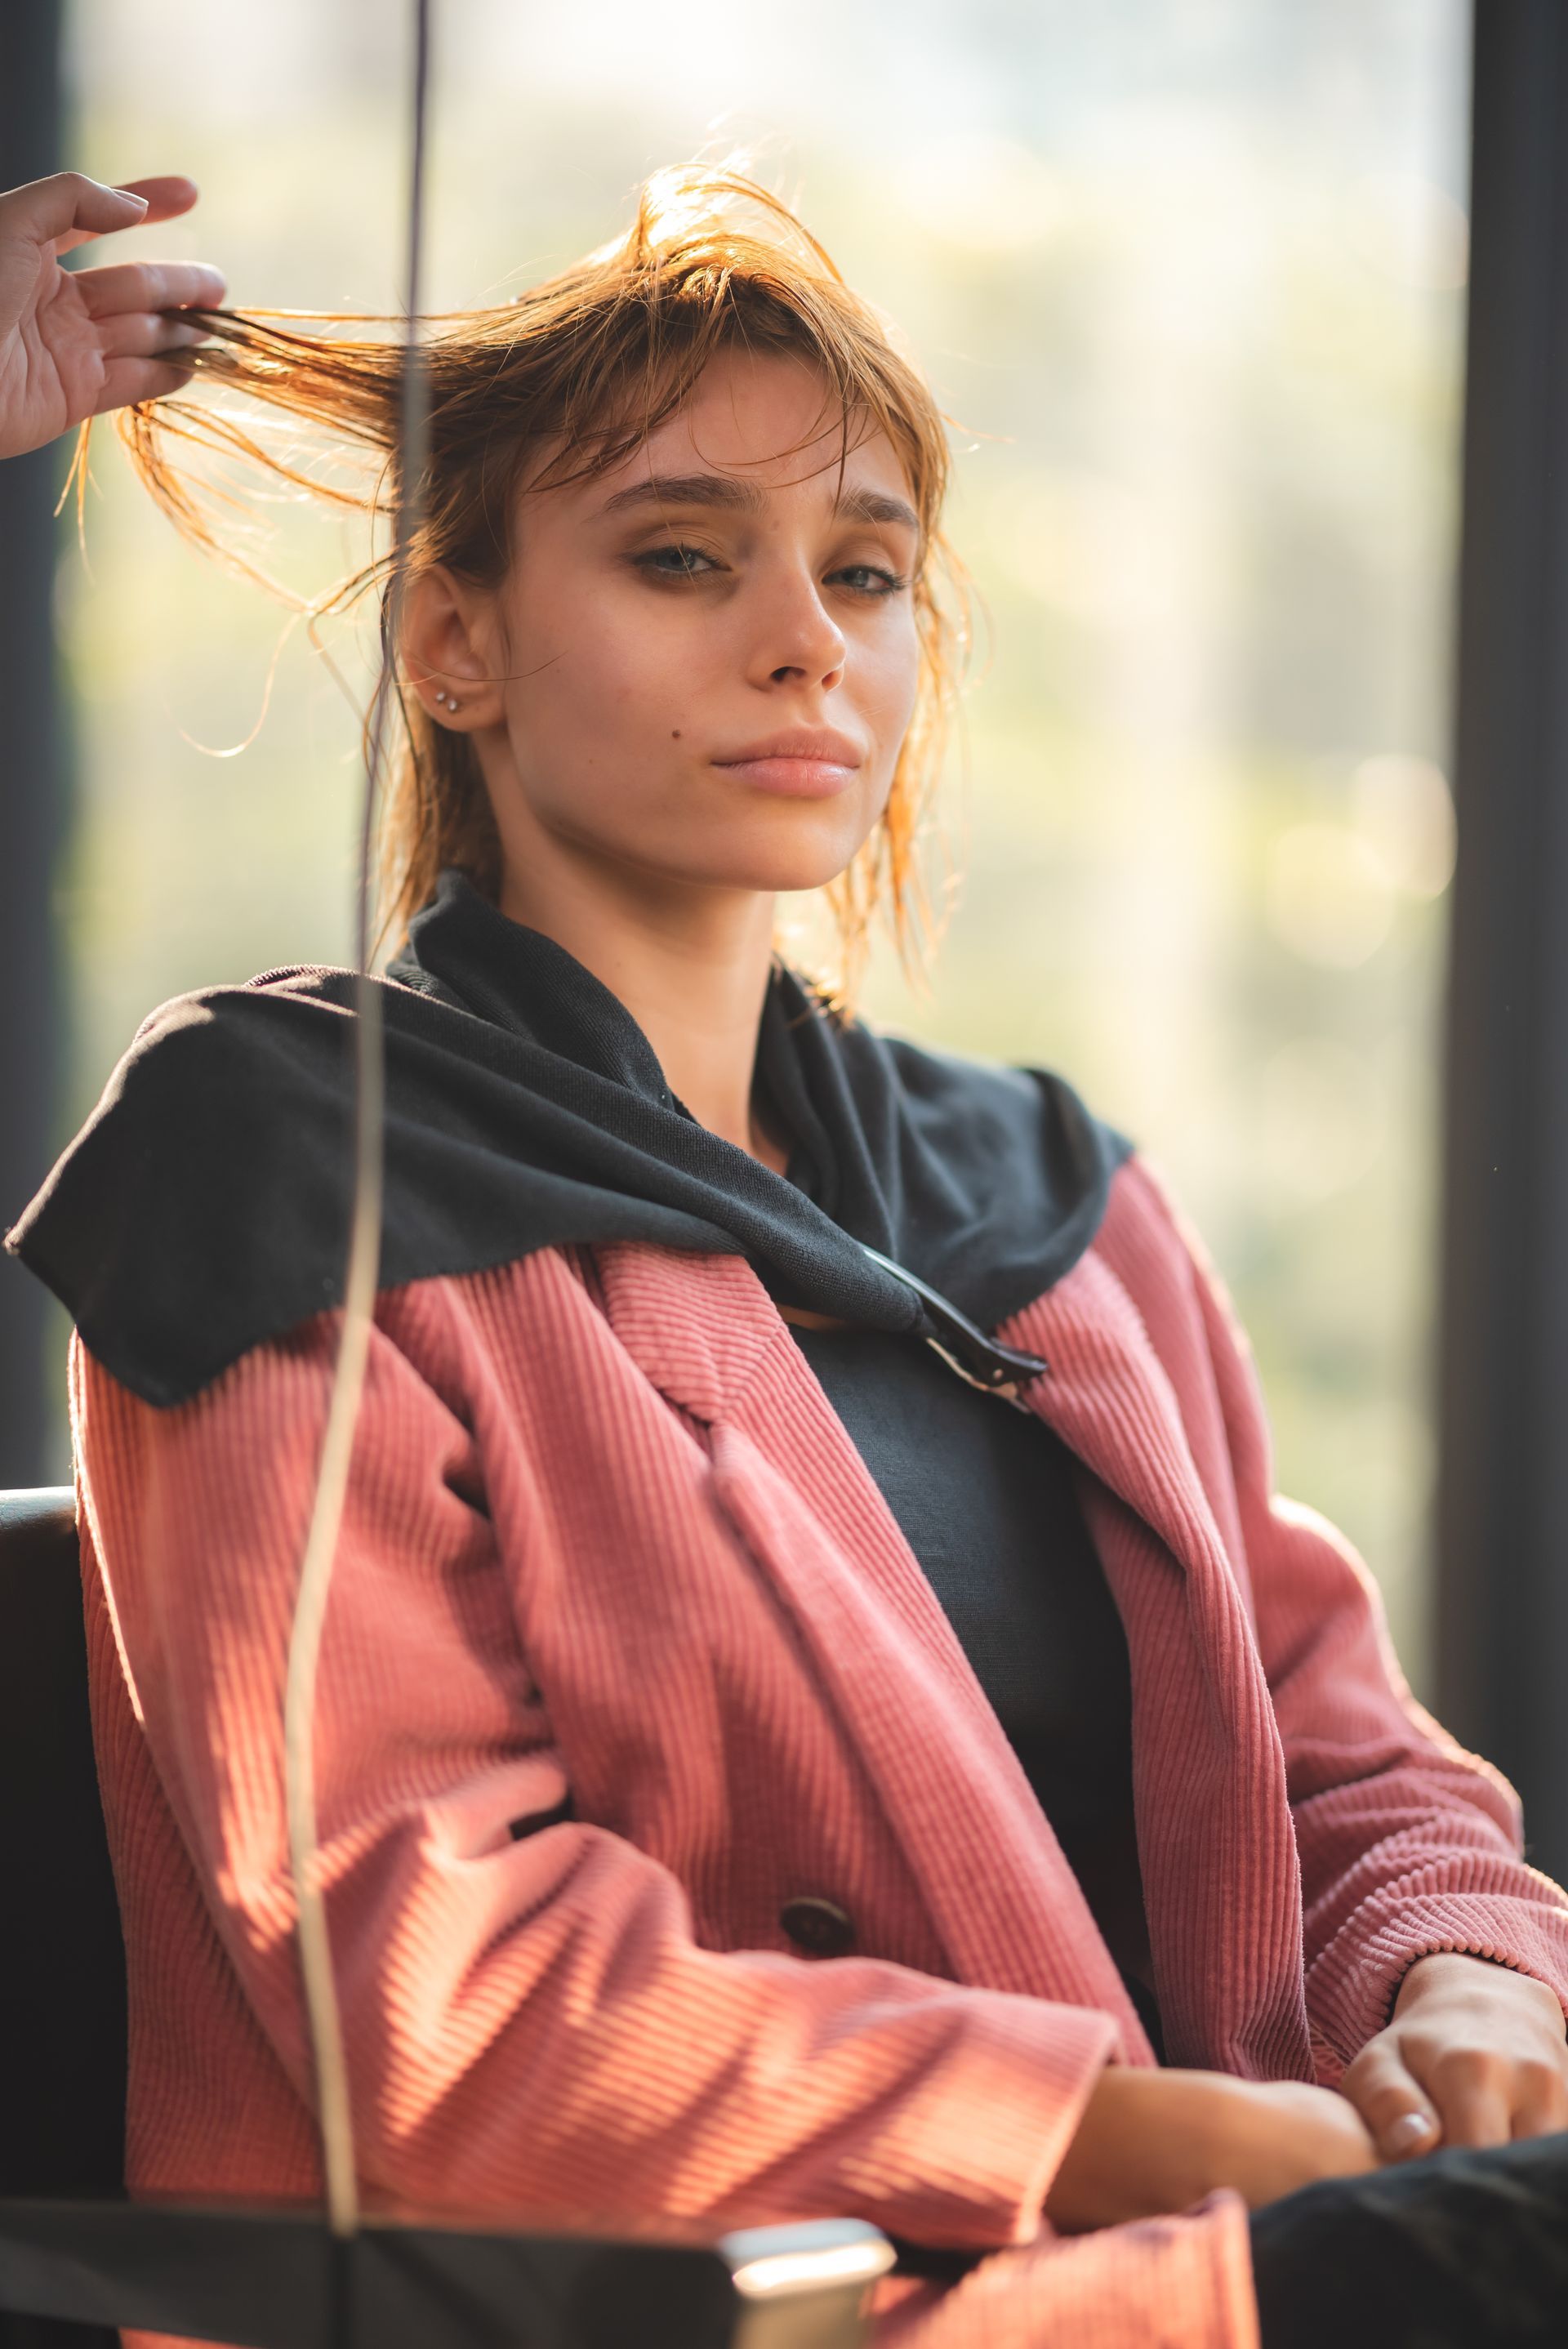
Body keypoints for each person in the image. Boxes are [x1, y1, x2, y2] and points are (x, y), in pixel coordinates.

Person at [4, 162, 1568, 2349]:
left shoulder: (1043, 1195)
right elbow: (449, 2006)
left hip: (1264, 2236)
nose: (802, 639)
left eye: (866, 571)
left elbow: (1353, 1759)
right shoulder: (291, 1162)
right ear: (449, 640)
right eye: (680, 558)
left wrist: (1468, 1983)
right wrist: (1132, 2136)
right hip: (737, 2308)